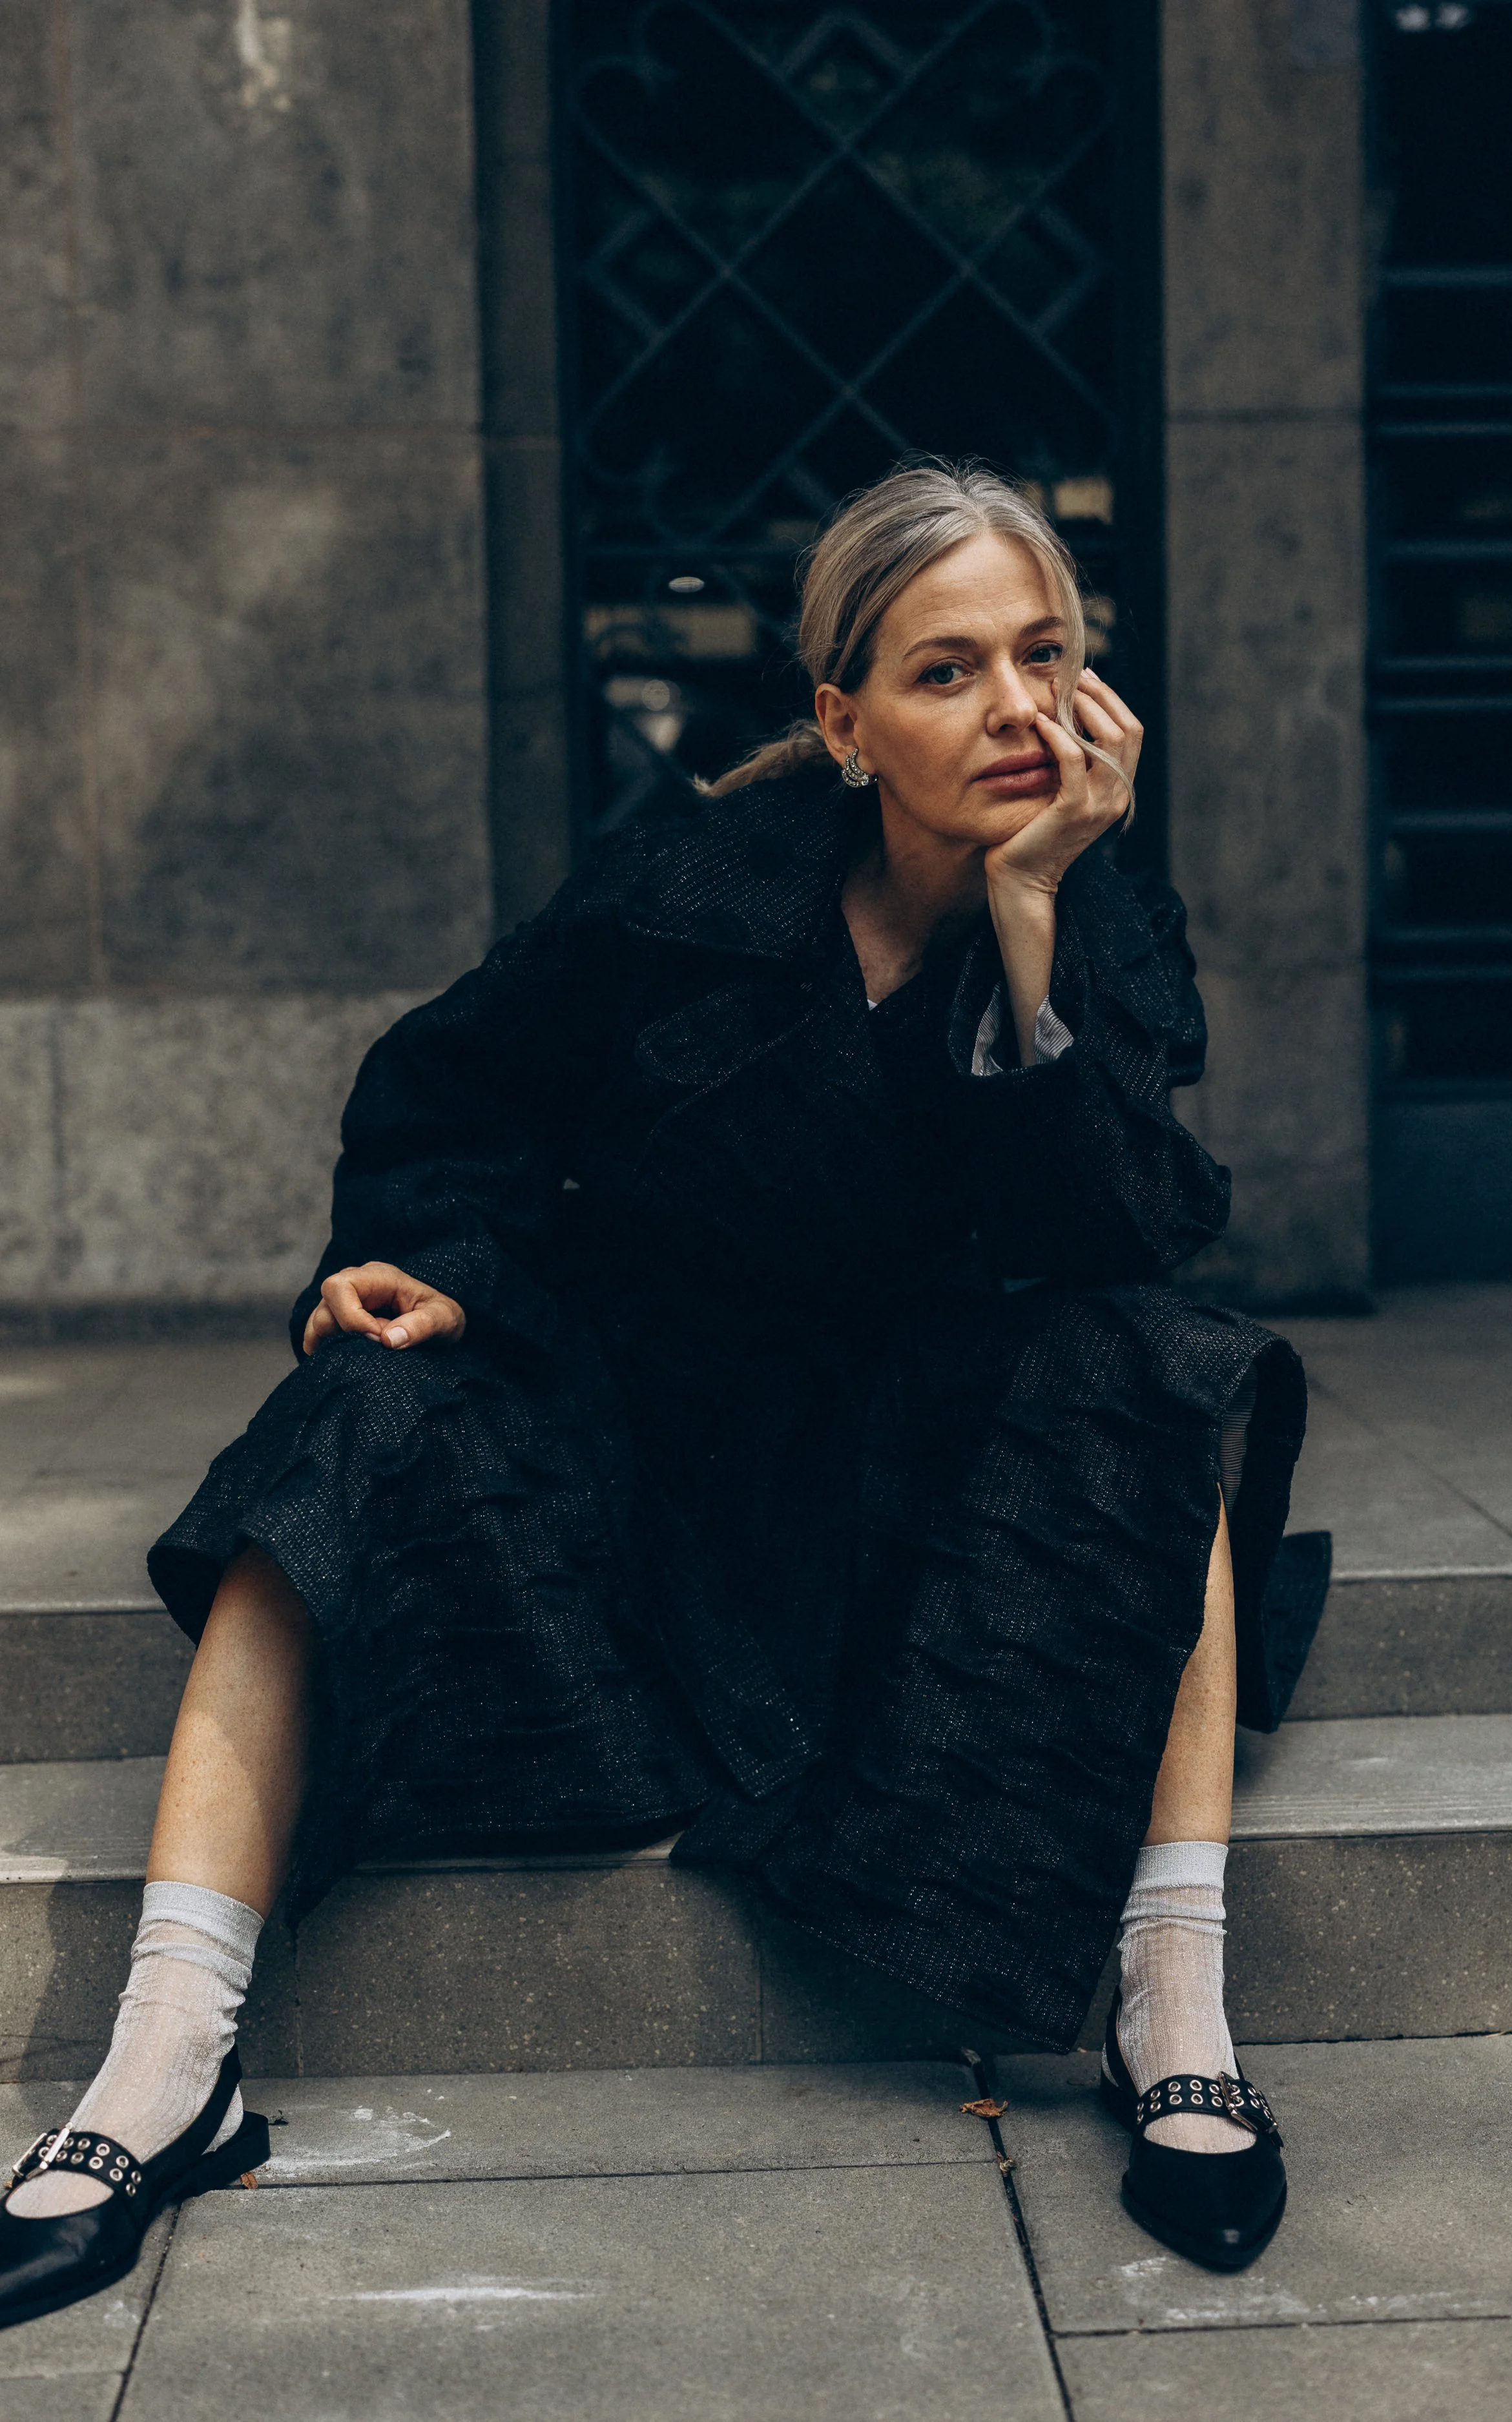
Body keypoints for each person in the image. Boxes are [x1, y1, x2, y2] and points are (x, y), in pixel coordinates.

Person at [1, 461, 1325, 2323]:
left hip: (917, 1494)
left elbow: (1111, 1232)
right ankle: (160, 2071)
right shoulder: (677, 886)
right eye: (949, 672)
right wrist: (411, 1259)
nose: (1019, 710)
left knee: (1166, 1371)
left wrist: (1029, 928)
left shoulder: (1108, 923)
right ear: (841, 724)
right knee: (349, 1409)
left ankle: (1169, 2010)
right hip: (644, 1445)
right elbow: (445, 1087)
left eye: (1046, 654)